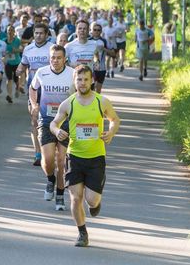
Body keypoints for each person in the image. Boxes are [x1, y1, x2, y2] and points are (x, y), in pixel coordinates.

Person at [50, 65, 120, 247]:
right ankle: (82, 233)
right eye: (79, 80)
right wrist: (57, 131)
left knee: (91, 199)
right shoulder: (68, 103)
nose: (82, 83)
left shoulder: (101, 102)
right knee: (75, 197)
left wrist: (111, 133)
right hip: (74, 157)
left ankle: (95, 203)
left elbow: (115, 119)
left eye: (86, 79)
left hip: (96, 157)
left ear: (92, 81)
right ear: (74, 81)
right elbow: (54, 123)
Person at [29, 45, 75, 211]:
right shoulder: (41, 72)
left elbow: (81, 93)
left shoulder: (72, 74)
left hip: (66, 121)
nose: (55, 61)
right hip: (47, 120)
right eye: (52, 57)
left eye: (58, 58)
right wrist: (34, 105)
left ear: (65, 59)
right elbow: (33, 89)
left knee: (62, 161)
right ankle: (50, 179)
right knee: (48, 160)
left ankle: (61, 195)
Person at [17, 23, 53, 166]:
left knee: (51, 120)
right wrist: (19, 71)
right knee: (34, 120)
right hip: (34, 89)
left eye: (41, 33)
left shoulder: (52, 48)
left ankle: (51, 150)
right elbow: (23, 64)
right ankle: (38, 153)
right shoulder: (28, 48)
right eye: (36, 33)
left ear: (46, 34)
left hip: (50, 90)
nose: (38, 36)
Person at [88, 23, 113, 93]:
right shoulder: (88, 41)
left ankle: (97, 103)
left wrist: (104, 49)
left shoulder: (104, 41)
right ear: (91, 30)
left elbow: (112, 53)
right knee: (91, 89)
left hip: (101, 68)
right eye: (94, 30)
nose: (96, 31)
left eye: (98, 30)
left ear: (101, 31)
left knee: (98, 90)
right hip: (91, 68)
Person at [3, 25, 22, 104]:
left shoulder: (17, 40)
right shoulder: (3, 41)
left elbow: (21, 49)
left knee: (16, 79)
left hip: (16, 62)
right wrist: (4, 54)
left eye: (11, 30)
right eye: (8, 30)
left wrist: (16, 50)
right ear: (6, 31)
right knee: (9, 79)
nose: (10, 32)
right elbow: (1, 51)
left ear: (14, 32)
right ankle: (9, 95)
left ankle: (18, 88)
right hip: (8, 63)